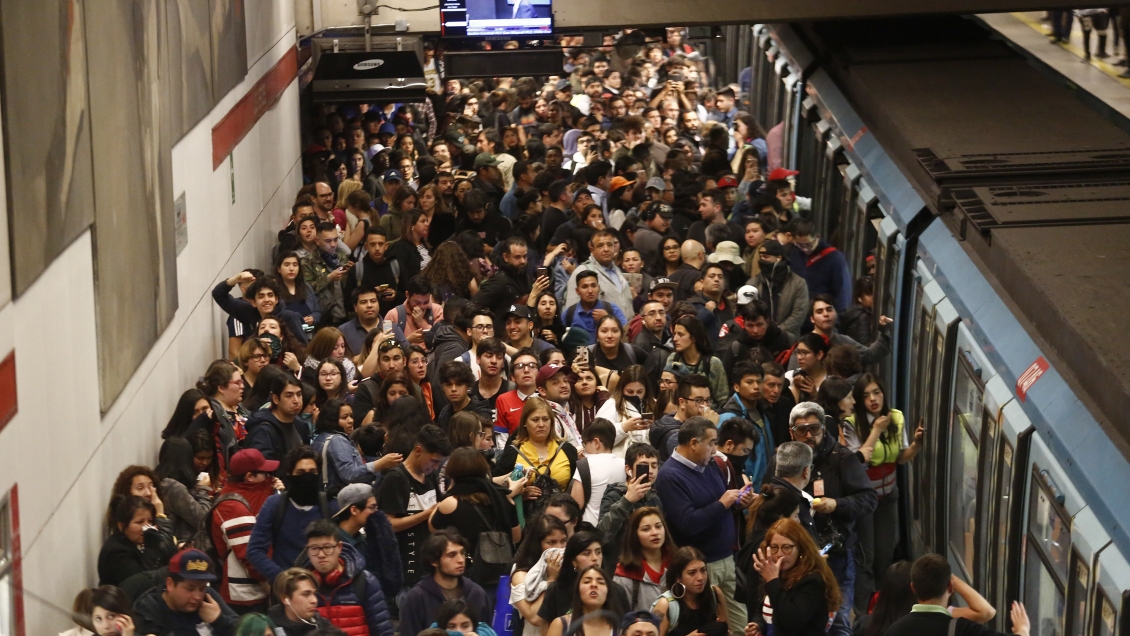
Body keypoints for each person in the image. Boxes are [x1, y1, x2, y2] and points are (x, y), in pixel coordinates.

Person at [764, 402, 877, 636]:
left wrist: (837, 504)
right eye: (801, 430)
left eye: (814, 429)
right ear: (790, 432)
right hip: (791, 560)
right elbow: (768, 496)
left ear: (824, 430)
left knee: (838, 620)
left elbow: (868, 499)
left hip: (835, 555)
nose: (808, 435)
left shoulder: (842, 459)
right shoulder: (781, 460)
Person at [654, 417, 753, 636]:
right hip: (701, 566)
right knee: (711, 628)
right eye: (711, 443)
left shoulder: (710, 465)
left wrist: (738, 503)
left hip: (727, 559)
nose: (715, 449)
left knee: (742, 627)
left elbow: (720, 507)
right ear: (693, 443)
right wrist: (722, 503)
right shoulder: (669, 476)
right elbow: (688, 523)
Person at [842, 374, 924, 613]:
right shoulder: (851, 424)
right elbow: (859, 462)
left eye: (876, 392)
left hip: (888, 497)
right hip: (865, 500)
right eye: (866, 395)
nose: (873, 399)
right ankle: (866, 609)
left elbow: (901, 457)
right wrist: (876, 430)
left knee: (885, 553)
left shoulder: (895, 417)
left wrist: (917, 444)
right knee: (866, 555)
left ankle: (884, 602)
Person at [376, 424, 451, 591]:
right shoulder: (395, 478)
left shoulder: (430, 475)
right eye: (434, 460)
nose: (436, 467)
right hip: (407, 573)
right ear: (418, 450)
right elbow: (388, 524)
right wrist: (427, 514)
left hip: (430, 566)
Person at [429, 448, 521, 582]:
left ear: (452, 472)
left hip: (466, 576)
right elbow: (516, 537)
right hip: (500, 574)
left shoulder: (451, 503)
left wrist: (451, 488)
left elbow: (432, 528)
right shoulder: (503, 498)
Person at [885, 555, 1029, 636]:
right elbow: (987, 612)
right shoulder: (963, 629)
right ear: (950, 586)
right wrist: (1022, 629)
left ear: (913, 588)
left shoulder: (895, 629)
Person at [209, 448, 281, 612]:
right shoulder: (232, 507)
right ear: (250, 477)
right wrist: (277, 591)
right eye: (265, 473)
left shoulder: (246, 496)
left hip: (256, 592)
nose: (271, 478)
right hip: (246, 597)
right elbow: (251, 556)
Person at [246, 447, 330, 585]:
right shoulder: (275, 505)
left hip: (325, 589)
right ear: (290, 474)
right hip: (287, 591)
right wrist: (282, 578)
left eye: (312, 472)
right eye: (301, 472)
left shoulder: (329, 505)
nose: (307, 477)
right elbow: (254, 550)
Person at [299, 519, 395, 636]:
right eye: (314, 548)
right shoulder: (300, 586)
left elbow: (383, 630)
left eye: (327, 547)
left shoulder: (365, 581)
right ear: (307, 550)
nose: (321, 554)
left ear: (339, 547)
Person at [748, 518, 841, 636]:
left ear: (800, 548)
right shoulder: (775, 573)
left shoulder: (812, 581)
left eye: (786, 547)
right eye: (774, 547)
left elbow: (791, 621)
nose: (779, 554)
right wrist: (758, 625)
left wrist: (772, 581)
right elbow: (764, 605)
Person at [494, 397, 580, 517]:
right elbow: (495, 487)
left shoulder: (567, 449)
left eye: (545, 419)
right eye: (535, 420)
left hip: (562, 518)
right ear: (525, 422)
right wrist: (520, 494)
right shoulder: (513, 451)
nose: (541, 424)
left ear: (552, 422)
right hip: (526, 520)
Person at [399, 530, 491, 636]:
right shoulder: (416, 597)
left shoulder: (477, 593)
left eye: (462, 553)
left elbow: (488, 631)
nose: (460, 560)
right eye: (452, 555)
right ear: (434, 561)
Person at [133, 549, 240, 636]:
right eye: (190, 589)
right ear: (170, 584)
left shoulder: (208, 598)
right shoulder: (149, 608)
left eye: (202, 588)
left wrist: (219, 620)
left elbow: (246, 629)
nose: (198, 597)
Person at [536, 530, 631, 628]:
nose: (595, 558)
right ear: (574, 561)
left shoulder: (616, 590)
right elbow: (546, 629)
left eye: (598, 552)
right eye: (586, 553)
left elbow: (627, 628)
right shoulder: (556, 591)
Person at [312, 398, 402, 498]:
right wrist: (380, 463)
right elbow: (349, 474)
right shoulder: (337, 440)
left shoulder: (320, 438)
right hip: (338, 501)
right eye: (344, 417)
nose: (350, 421)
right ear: (331, 419)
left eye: (351, 416)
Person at [596, 443, 663, 557]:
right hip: (621, 563)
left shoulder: (654, 498)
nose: (650, 471)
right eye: (644, 466)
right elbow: (601, 533)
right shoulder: (615, 495)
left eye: (654, 466)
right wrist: (627, 501)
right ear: (628, 469)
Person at [509, 514, 570, 636]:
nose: (559, 548)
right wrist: (551, 580)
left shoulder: (570, 568)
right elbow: (535, 618)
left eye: (563, 541)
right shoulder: (521, 574)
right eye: (551, 542)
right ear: (537, 544)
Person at [97, 495, 177, 589]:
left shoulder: (135, 542)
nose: (147, 527)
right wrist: (151, 548)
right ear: (121, 526)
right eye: (139, 522)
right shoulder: (116, 553)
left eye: (150, 521)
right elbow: (141, 584)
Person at [718, 361, 775, 486]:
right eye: (749, 382)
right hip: (744, 487)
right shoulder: (729, 418)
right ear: (737, 387)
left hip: (765, 485)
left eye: (759, 382)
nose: (756, 386)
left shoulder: (762, 411)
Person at [652, 546, 729, 636]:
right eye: (692, 573)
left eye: (703, 570)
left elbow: (728, 632)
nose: (700, 578)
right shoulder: (665, 604)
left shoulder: (714, 593)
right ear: (678, 577)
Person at [564, 229, 637, 320]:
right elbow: (571, 312)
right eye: (600, 245)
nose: (606, 249)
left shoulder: (618, 271)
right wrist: (606, 319)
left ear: (614, 248)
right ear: (592, 249)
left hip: (625, 331)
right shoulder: (581, 272)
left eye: (610, 245)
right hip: (596, 332)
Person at [614, 506, 676, 612]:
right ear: (635, 535)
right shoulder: (624, 576)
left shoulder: (677, 563)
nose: (655, 533)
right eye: (646, 529)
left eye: (658, 526)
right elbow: (619, 618)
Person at [242, 375, 306, 476]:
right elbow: (260, 469)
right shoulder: (263, 430)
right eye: (289, 396)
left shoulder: (301, 424)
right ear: (276, 399)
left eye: (299, 394)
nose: (296, 400)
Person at [649, 375, 718, 461]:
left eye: (707, 400)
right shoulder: (673, 436)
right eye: (698, 400)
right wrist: (709, 426)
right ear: (682, 403)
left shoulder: (691, 426)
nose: (705, 406)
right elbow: (701, 460)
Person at [154, 437, 211, 541]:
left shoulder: (159, 481)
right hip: (181, 545)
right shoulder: (173, 488)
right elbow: (203, 519)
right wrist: (202, 488)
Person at [570, 419, 626, 524]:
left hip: (591, 529)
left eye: (585, 443)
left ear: (596, 442)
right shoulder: (625, 465)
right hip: (618, 527)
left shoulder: (584, 465)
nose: (584, 447)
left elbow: (576, 505)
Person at [748, 240, 808, 337]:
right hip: (758, 338)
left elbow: (799, 314)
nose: (762, 260)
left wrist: (777, 331)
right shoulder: (752, 283)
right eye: (761, 257)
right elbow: (747, 311)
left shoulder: (798, 283)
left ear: (778, 258)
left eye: (766, 256)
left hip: (788, 339)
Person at [544, 565, 625, 636]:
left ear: (608, 592)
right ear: (578, 591)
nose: (594, 585)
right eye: (587, 581)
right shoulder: (561, 625)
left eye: (601, 582)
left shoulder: (618, 629)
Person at [666, 315, 728, 408]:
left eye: (681, 334)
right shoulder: (673, 360)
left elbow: (723, 401)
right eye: (674, 334)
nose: (675, 339)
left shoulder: (712, 363)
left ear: (694, 338)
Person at [595, 364, 655, 457]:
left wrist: (655, 427)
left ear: (646, 390)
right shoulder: (612, 404)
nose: (635, 395)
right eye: (630, 391)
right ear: (622, 388)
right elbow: (598, 439)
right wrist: (623, 428)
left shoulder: (654, 405)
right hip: (619, 462)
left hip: (648, 460)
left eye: (640, 391)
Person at [494, 348, 542, 446]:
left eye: (532, 366)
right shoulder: (504, 400)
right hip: (516, 456)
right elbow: (502, 441)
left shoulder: (547, 397)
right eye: (520, 366)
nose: (526, 370)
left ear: (539, 373)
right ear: (512, 377)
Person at [267, 568, 334, 635]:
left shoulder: (324, 626)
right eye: (306, 594)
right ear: (285, 599)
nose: (314, 600)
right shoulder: (268, 630)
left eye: (314, 594)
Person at [436, 360, 494, 432]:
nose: (453, 389)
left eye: (459, 384)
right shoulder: (445, 412)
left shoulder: (480, 414)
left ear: (468, 386)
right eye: (448, 384)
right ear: (442, 387)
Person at [386, 276, 444, 345]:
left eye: (426, 302)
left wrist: (421, 322)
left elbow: (441, 339)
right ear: (407, 295)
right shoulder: (393, 314)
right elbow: (386, 346)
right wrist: (407, 340)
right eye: (417, 302)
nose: (421, 307)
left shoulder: (437, 310)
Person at [788, 334, 829, 404]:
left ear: (819, 354)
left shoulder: (830, 383)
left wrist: (815, 395)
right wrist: (796, 387)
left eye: (805, 352)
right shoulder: (790, 376)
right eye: (798, 352)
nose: (799, 357)